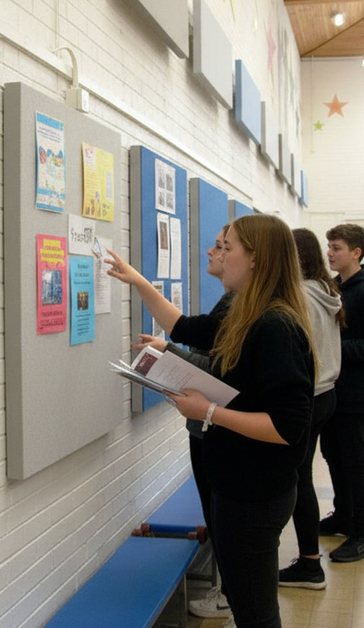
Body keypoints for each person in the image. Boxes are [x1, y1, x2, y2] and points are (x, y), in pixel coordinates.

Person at [106, 214, 315, 628]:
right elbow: (189, 329)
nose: (216, 252)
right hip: (235, 485)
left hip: (255, 493)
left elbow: (288, 428)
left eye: (227, 246)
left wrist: (210, 412)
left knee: (255, 613)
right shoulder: (247, 314)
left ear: (255, 259)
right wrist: (139, 282)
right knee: (243, 603)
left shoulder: (276, 326)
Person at [131, 226, 235, 620]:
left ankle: (230, 593)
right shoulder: (236, 304)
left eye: (223, 247)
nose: (211, 251)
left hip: (214, 428)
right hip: (208, 424)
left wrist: (172, 355)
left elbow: (215, 363)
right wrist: (170, 351)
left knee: (221, 517)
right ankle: (232, 589)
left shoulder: (244, 309)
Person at [318, 224, 364, 563]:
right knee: (333, 453)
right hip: (337, 387)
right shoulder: (338, 286)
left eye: (336, 247)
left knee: (355, 461)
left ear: (356, 253)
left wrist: (335, 348)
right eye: (329, 247)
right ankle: (343, 515)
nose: (330, 253)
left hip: (357, 392)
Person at [279, 228, 343, 590]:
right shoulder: (325, 290)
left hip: (311, 394)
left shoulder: (300, 294)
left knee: (299, 480)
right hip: (325, 393)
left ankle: (309, 564)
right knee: (302, 476)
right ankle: (309, 560)